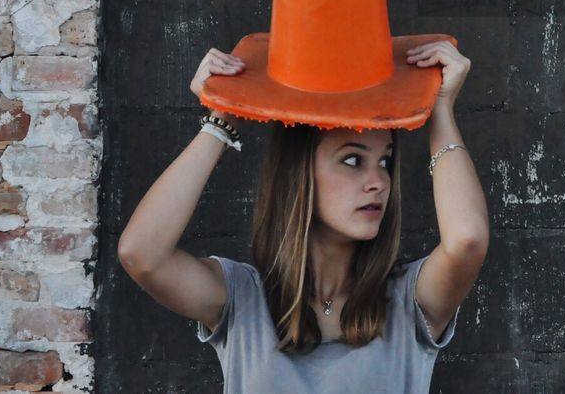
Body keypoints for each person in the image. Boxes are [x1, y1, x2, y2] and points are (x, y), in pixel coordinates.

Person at [117, 41, 489, 393]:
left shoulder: (411, 302)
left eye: (385, 162)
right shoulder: (242, 299)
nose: (377, 181)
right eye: (352, 160)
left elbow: (467, 239)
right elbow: (142, 255)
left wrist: (440, 109)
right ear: (299, 175)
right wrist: (221, 118)